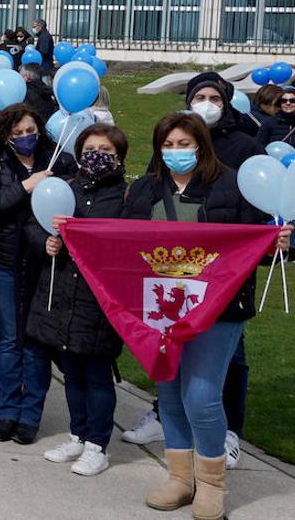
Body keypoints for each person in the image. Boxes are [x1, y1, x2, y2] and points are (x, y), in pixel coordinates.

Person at [121, 113, 289, 519]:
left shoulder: (231, 185)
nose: (177, 152)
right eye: (169, 144)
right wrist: (68, 230)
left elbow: (254, 242)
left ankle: (211, 482)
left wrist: (276, 241)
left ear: (202, 144)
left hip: (218, 309)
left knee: (201, 395)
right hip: (160, 307)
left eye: (184, 143)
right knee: (170, 394)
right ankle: (181, 477)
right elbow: (122, 243)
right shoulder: (144, 189)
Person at [27, 124, 129, 477]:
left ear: (119, 158)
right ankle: (78, 435)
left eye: (105, 150)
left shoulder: (126, 198)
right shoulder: (64, 188)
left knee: (97, 374)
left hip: (98, 299)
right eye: (89, 150)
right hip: (61, 293)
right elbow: (33, 224)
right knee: (71, 372)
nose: (96, 156)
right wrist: (46, 240)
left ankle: (98, 445)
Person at [0, 103, 76, 445]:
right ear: (5, 136)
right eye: (17, 133)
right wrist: (26, 186)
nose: (24, 138)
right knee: (8, 341)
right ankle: (8, 412)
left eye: (30, 131)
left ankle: (30, 415)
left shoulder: (58, 162)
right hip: (5, 262)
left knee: (35, 343)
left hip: (45, 265)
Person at [184, 72, 261, 170]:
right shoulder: (173, 140)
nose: (207, 104)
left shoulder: (245, 146)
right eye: (200, 98)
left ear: (224, 106)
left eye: (215, 99)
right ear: (189, 103)